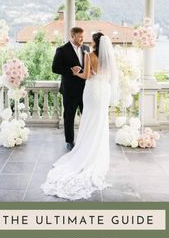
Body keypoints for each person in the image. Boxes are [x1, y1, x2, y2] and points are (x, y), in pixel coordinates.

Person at [41, 33, 119, 200]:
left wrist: (77, 72)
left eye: (92, 39)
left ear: (96, 43)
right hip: (104, 90)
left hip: (92, 90)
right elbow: (111, 76)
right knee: (99, 122)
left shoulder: (89, 55)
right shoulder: (109, 58)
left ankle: (85, 150)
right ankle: (97, 152)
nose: (89, 41)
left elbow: (86, 76)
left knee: (89, 120)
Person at [52, 27, 90, 151]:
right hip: (69, 91)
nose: (82, 39)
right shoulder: (62, 50)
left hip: (85, 89)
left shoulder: (86, 49)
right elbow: (55, 68)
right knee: (69, 116)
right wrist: (70, 70)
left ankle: (86, 139)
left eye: (83, 36)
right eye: (80, 37)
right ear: (72, 36)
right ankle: (69, 141)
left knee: (87, 115)